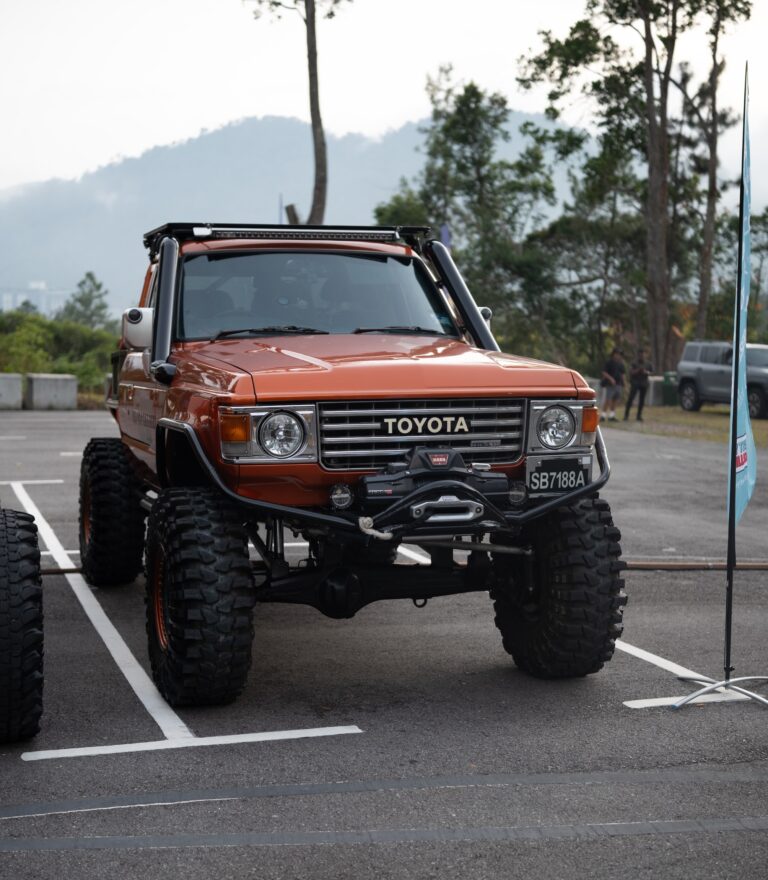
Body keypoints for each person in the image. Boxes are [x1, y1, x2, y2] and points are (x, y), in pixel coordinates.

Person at [624, 348, 653, 422]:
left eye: (643, 354)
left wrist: (645, 372)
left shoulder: (648, 363)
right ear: (638, 355)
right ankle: (626, 415)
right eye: (640, 354)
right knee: (631, 399)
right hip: (635, 383)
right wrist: (638, 370)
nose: (642, 356)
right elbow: (630, 372)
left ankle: (639, 415)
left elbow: (651, 372)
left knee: (642, 400)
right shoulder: (634, 363)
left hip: (644, 383)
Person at [600, 349, 625, 420]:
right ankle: (603, 415)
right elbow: (604, 372)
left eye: (619, 354)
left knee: (616, 399)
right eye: (616, 354)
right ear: (613, 354)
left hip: (618, 384)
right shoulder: (609, 362)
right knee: (608, 399)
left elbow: (623, 374)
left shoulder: (621, 364)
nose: (618, 356)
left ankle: (612, 415)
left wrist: (624, 382)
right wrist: (610, 379)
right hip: (610, 384)